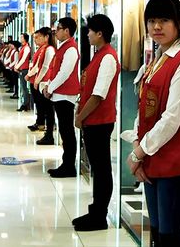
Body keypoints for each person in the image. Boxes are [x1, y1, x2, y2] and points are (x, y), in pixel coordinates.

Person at [125, 0, 180, 247]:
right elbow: (144, 109)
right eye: (152, 21)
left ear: (179, 23)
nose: (156, 27)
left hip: (176, 165)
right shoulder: (156, 59)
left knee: (171, 236)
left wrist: (138, 153)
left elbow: (171, 119)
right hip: (153, 160)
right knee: (158, 233)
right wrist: (140, 146)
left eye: (164, 20)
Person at [72, 14, 120, 231]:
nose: (88, 34)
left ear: (100, 33)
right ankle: (95, 211)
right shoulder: (99, 55)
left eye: (90, 31)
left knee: (101, 170)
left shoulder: (108, 57)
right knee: (98, 169)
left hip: (99, 121)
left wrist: (81, 117)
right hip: (93, 120)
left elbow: (98, 94)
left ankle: (100, 216)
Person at [43, 17, 80, 178]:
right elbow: (56, 70)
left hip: (65, 95)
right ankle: (66, 164)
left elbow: (64, 73)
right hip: (59, 94)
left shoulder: (71, 49)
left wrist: (50, 88)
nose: (55, 32)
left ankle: (69, 166)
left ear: (67, 31)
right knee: (65, 131)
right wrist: (48, 85)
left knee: (67, 132)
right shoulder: (63, 47)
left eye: (58, 29)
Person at [26, 27, 56, 144]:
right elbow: (38, 65)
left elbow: (45, 67)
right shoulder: (43, 49)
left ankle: (49, 134)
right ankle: (46, 132)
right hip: (42, 82)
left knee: (48, 110)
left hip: (46, 83)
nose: (36, 40)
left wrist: (37, 81)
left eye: (38, 37)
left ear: (46, 37)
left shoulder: (49, 50)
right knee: (44, 108)